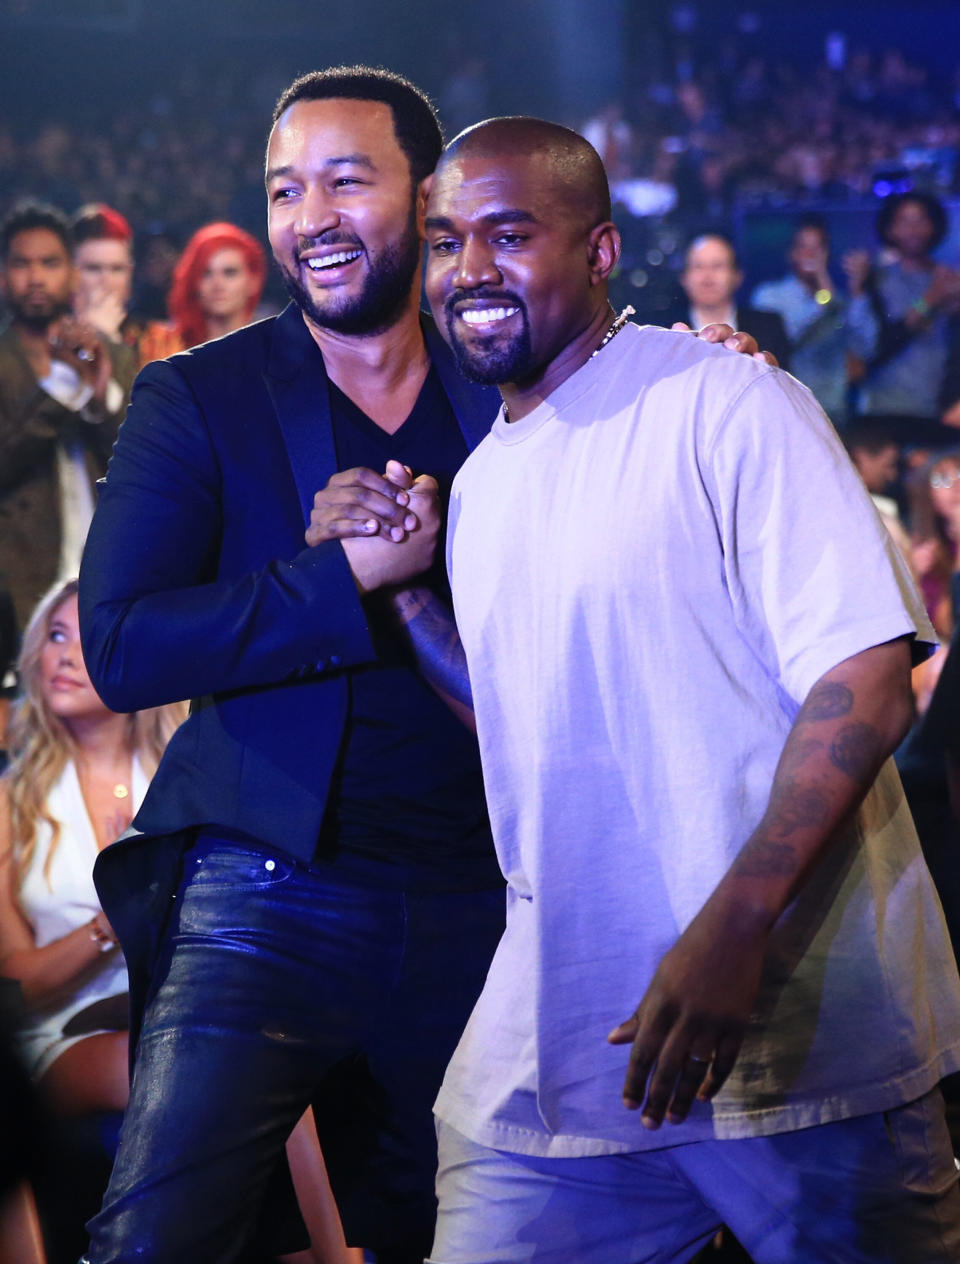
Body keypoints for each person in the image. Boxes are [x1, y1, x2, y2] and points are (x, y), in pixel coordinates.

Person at [77, 67, 768, 1264]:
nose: (311, 216)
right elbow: (123, 644)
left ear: (428, 197)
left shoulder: (523, 380)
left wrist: (711, 375)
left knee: (445, 1233)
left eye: (348, 179)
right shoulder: (200, 397)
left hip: (485, 896)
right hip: (265, 881)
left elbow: (648, 453)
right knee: (155, 1233)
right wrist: (338, 579)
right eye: (287, 189)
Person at [406, 116, 960, 1263]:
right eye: (446, 239)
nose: (470, 270)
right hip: (564, 1040)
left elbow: (866, 682)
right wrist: (408, 604)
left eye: (510, 234)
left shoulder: (725, 400)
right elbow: (527, 721)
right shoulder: (482, 486)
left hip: (796, 1033)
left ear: (600, 251)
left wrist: (733, 925)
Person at [0, 203, 136, 631]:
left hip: (109, 570)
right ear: (3, 276)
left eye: (50, 263)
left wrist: (97, 399)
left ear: (73, 274)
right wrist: (62, 388)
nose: (36, 277)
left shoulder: (113, 355)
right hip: (18, 581)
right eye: (22, 264)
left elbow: (140, 463)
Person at [853, 192, 960, 439]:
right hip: (883, 407)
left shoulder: (950, 279)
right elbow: (875, 345)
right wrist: (931, 299)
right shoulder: (877, 279)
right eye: (904, 221)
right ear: (890, 229)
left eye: (921, 220)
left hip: (936, 408)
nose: (913, 229)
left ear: (935, 226)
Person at [750, 215, 875, 426]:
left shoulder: (839, 300)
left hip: (835, 410)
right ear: (791, 253)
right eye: (803, 246)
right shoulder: (770, 295)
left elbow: (866, 348)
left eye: (818, 248)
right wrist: (823, 299)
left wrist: (858, 292)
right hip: (789, 408)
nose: (811, 254)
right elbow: (786, 337)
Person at [137, 221, 267, 364]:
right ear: (193, 281)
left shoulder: (276, 349)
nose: (218, 284)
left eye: (230, 273)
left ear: (253, 281)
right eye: (206, 273)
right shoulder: (161, 347)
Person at [672, 231, 791, 370]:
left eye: (717, 266)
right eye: (698, 266)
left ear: (737, 276)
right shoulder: (662, 331)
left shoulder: (769, 326)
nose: (707, 277)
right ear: (684, 278)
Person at [71, 206, 140, 352]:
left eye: (117, 269)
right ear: (70, 274)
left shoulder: (160, 341)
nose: (106, 281)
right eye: (93, 268)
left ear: (130, 274)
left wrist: (110, 341)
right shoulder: (47, 339)